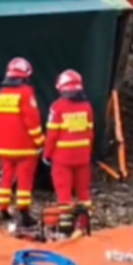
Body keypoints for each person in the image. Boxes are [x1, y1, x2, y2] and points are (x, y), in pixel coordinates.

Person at [0, 57, 44, 228]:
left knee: (6, 177)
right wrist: (40, 141)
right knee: (24, 180)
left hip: (3, 147)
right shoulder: (26, 93)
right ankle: (24, 213)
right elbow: (32, 120)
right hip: (24, 148)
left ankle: (3, 210)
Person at [43, 70, 94, 237]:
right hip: (83, 157)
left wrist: (47, 154)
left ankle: (66, 225)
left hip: (62, 158)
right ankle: (85, 223)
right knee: (83, 191)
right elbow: (90, 133)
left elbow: (52, 135)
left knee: (64, 191)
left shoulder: (57, 108)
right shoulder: (87, 107)